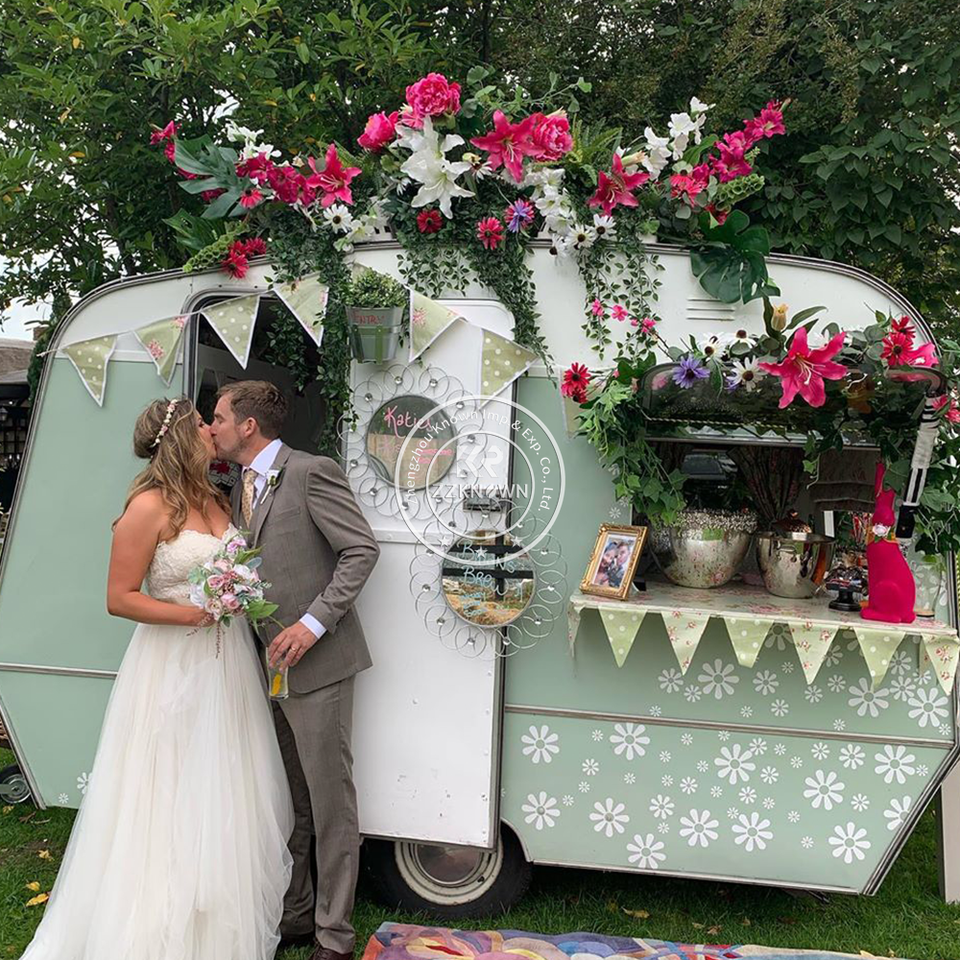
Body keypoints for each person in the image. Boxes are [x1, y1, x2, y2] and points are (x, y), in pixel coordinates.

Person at [19, 397, 295, 960]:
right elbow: (119, 598)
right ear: (180, 437)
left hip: (227, 663)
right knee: (168, 784)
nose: (211, 430)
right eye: (202, 424)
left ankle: (215, 913)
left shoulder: (217, 498)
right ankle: (156, 919)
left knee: (225, 779)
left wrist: (236, 597)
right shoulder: (147, 507)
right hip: (171, 663)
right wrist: (194, 614)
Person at [210, 381, 380, 960]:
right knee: (293, 798)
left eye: (219, 418)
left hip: (320, 664)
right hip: (266, 667)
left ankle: (336, 935)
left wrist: (311, 625)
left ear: (248, 425)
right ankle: (298, 914)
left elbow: (361, 550)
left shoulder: (310, 472)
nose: (212, 427)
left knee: (331, 804)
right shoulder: (238, 485)